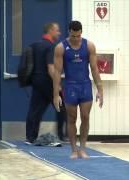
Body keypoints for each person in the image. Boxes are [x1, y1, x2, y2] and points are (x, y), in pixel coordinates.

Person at [53, 21, 103, 159]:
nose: (76, 39)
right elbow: (57, 71)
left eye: (78, 36)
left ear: (81, 33)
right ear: (69, 32)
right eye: (73, 36)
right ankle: (74, 150)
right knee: (71, 118)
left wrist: (100, 89)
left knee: (85, 117)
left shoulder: (89, 46)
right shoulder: (60, 48)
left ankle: (83, 148)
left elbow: (94, 69)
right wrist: (56, 94)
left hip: (85, 85)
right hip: (70, 86)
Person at [25, 22, 67, 144]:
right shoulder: (51, 47)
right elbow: (51, 68)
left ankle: (30, 137)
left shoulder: (35, 45)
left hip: (36, 82)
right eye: (57, 30)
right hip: (48, 82)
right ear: (50, 31)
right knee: (61, 106)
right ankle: (61, 135)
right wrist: (57, 84)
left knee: (35, 110)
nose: (59, 33)